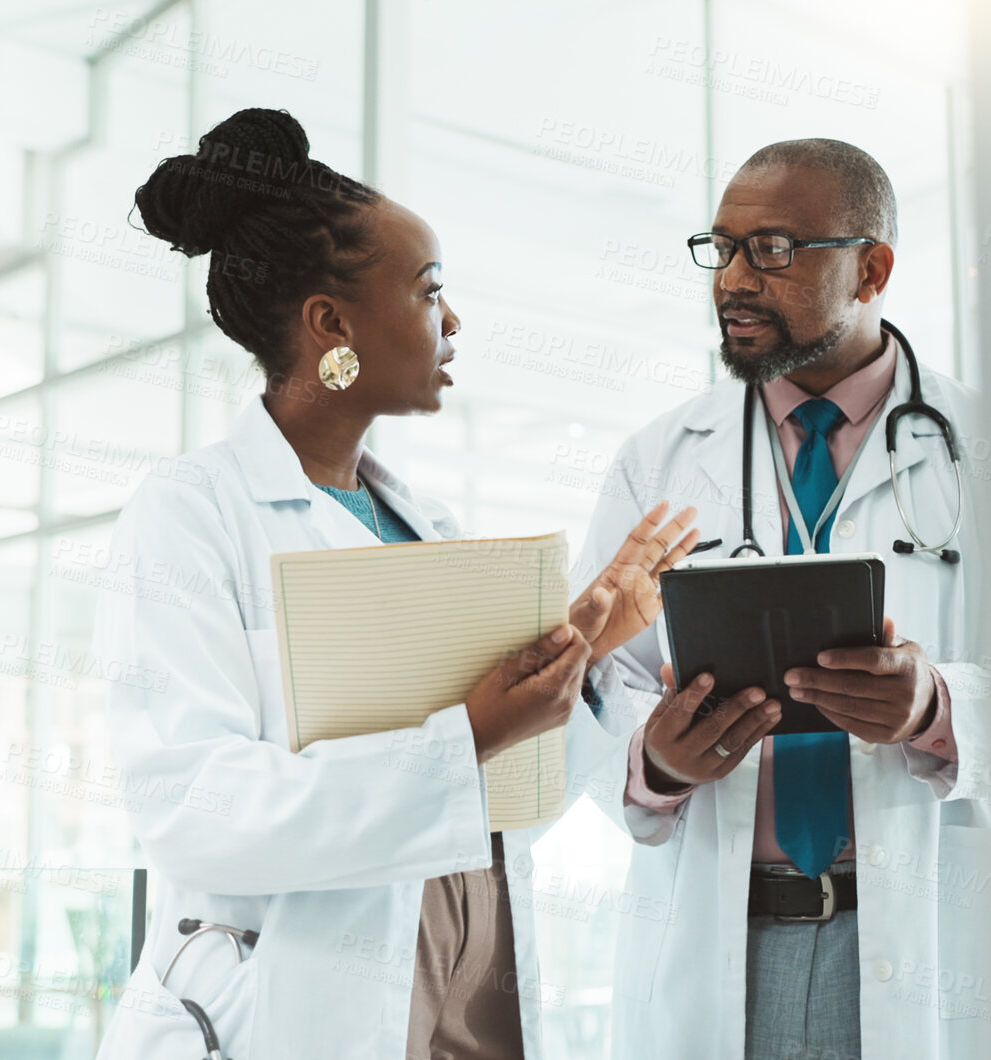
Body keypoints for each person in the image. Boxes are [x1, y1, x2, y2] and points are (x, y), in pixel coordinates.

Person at [90, 108, 699, 1060]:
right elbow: (193, 810)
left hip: (468, 976)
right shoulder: (191, 513)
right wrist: (476, 731)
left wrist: (585, 643)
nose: (452, 321)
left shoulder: (426, 526)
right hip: (297, 999)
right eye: (428, 292)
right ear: (331, 326)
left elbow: (515, 805)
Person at [566, 139, 987, 1059]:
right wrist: (657, 760)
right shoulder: (660, 457)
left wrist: (936, 709)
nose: (733, 281)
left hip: (916, 938)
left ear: (870, 268)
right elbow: (589, 685)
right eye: (720, 249)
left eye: (774, 250)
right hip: (720, 942)